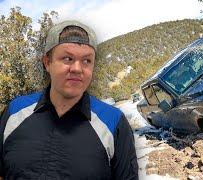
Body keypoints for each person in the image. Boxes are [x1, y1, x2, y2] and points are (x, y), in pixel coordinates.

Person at [0, 20, 138, 179]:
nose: (77, 69)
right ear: (47, 63)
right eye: (67, 58)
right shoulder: (14, 112)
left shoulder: (114, 123)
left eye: (87, 61)